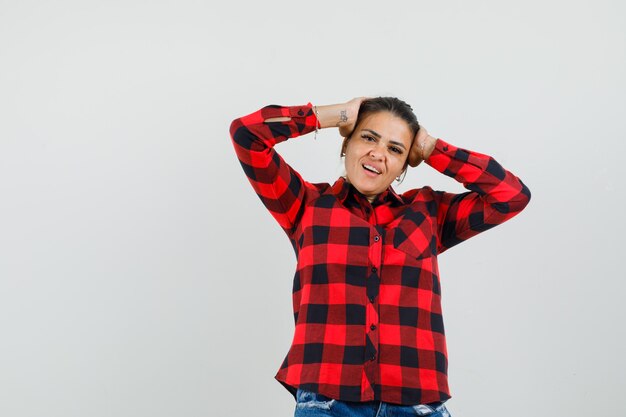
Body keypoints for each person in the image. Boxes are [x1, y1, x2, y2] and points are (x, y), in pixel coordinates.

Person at [229, 97, 531, 417]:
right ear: (347, 143)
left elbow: (511, 196)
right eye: (369, 137)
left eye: (395, 149)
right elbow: (247, 134)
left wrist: (430, 147)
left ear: (404, 165)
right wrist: (335, 115)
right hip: (328, 401)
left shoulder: (428, 213)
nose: (378, 153)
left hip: (417, 404)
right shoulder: (304, 205)